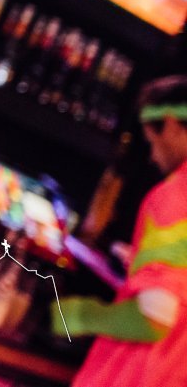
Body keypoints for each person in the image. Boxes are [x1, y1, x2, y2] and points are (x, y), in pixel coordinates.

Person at [60, 75, 187, 386]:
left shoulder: (175, 196)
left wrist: (81, 315)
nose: (153, 156)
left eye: (152, 142)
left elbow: (155, 317)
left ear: (171, 124)